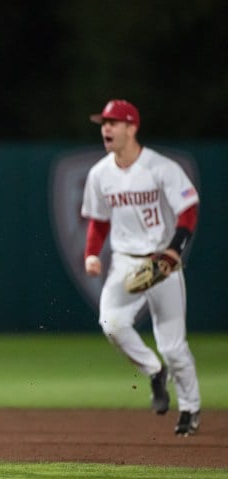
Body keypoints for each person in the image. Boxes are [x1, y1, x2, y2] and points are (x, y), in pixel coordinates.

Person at [81, 99, 201, 436]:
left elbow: (187, 211)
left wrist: (173, 252)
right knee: (111, 322)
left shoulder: (161, 167)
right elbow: (99, 221)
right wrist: (92, 253)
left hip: (160, 262)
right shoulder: (99, 174)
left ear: (132, 127)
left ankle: (190, 408)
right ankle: (154, 371)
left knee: (173, 346)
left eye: (113, 122)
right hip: (124, 264)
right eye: (103, 122)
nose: (106, 128)